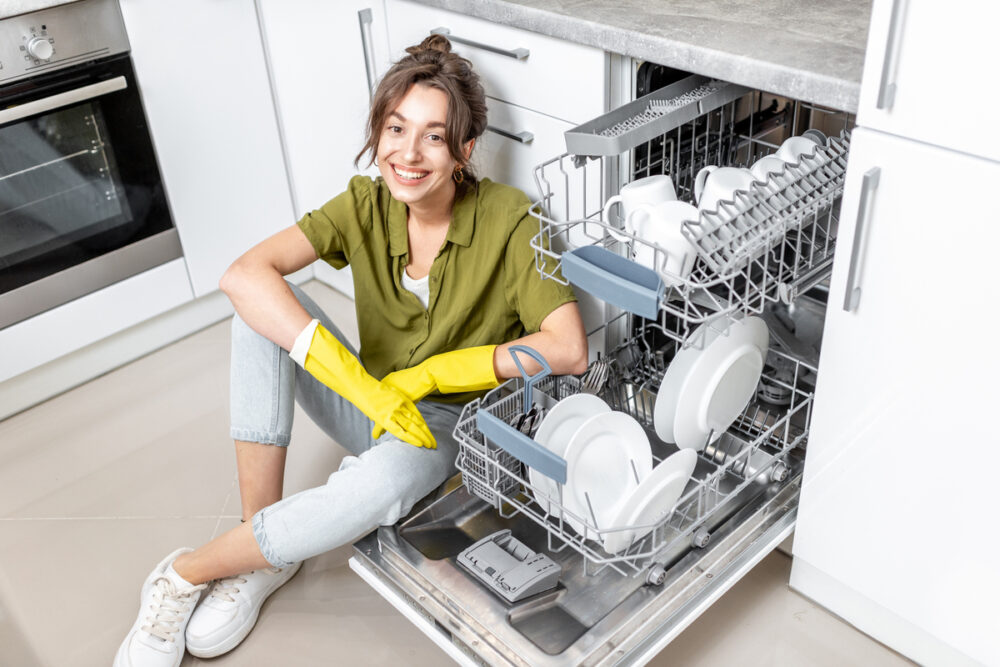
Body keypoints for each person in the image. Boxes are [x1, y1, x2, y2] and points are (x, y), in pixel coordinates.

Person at [114, 34, 587, 667]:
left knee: (387, 483)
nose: (407, 154)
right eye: (396, 128)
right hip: (365, 399)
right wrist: (365, 389)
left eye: (434, 136)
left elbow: (569, 348)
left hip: (440, 426)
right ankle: (260, 559)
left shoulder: (510, 219)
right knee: (256, 312)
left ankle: (185, 574)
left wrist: (437, 373)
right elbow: (243, 274)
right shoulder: (365, 203)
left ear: (465, 152)